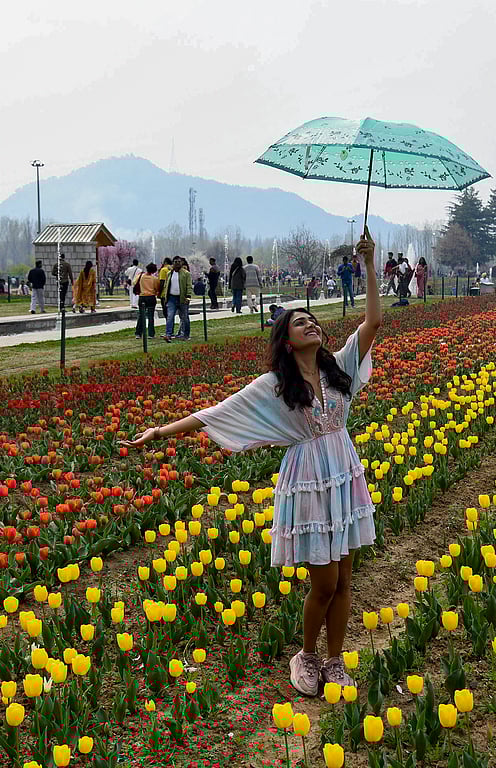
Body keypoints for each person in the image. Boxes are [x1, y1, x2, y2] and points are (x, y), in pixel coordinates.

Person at [121, 228, 383, 698]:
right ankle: (305, 655)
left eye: (313, 321)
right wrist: (161, 431)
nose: (311, 324)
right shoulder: (275, 387)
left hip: (343, 472)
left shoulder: (337, 369)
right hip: (309, 480)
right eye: (300, 322)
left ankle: (335, 660)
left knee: (345, 576)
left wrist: (368, 264)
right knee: (323, 581)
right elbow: (217, 412)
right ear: (285, 341)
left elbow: (374, 322)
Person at [162, 256, 191, 341]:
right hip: (171, 298)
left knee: (184, 317)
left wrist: (188, 296)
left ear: (181, 263)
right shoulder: (169, 274)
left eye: (179, 262)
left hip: (182, 298)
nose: (177, 263)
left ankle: (186, 335)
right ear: (173, 263)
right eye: (175, 262)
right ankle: (168, 334)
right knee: (170, 316)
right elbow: (166, 286)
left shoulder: (186, 274)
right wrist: (165, 297)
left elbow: (189, 286)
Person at [134, 263, 160, 339]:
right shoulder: (154, 279)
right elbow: (157, 288)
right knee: (150, 316)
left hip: (142, 297)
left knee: (141, 316)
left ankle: (138, 333)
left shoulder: (140, 276)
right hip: (151, 297)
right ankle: (151, 334)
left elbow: (134, 282)